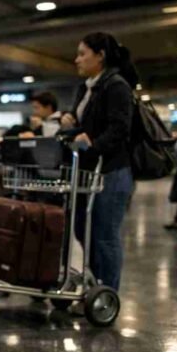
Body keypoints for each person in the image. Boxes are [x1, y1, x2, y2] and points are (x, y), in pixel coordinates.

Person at [64, 31, 137, 291]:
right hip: (88, 172)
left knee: (105, 236)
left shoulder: (116, 85)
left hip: (111, 171)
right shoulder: (86, 88)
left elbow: (120, 129)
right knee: (85, 232)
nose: (77, 60)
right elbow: (84, 125)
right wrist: (69, 122)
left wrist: (93, 144)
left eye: (83, 54)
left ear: (100, 56)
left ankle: (107, 294)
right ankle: (93, 288)